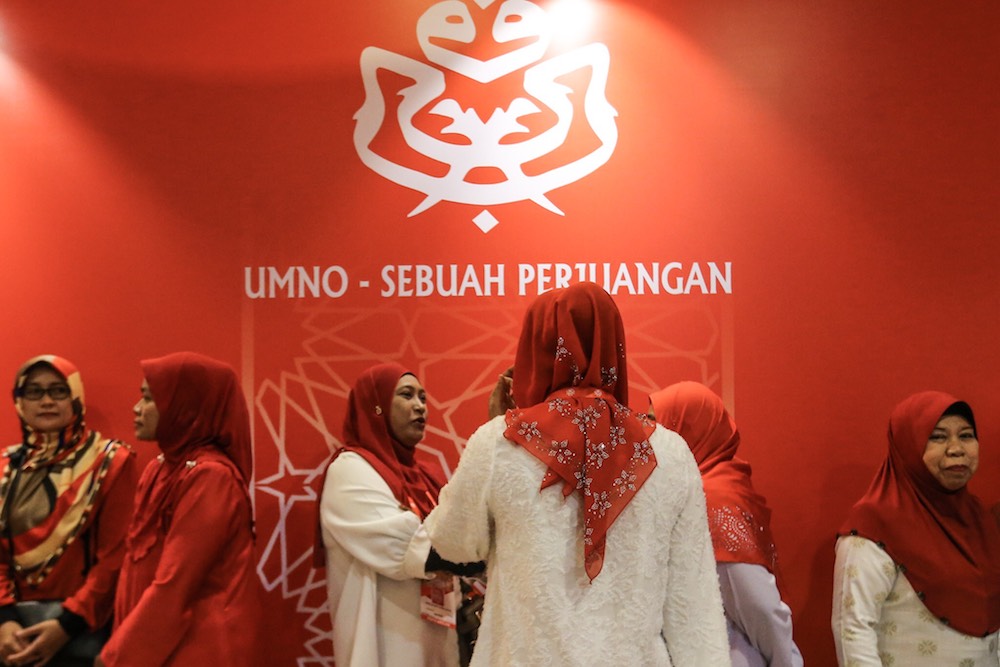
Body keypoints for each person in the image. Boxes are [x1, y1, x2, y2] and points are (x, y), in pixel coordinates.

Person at [425, 282, 730, 666]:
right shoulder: (670, 453)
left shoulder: (498, 445)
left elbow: (452, 543)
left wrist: (499, 425)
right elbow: (695, 606)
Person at [97, 352, 259, 666]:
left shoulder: (211, 477)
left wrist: (117, 656)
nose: (136, 408)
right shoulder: (160, 469)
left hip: (199, 649)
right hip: (158, 645)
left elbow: (177, 582)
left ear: (186, 405)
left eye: (148, 398)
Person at [317, 363, 472, 667]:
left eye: (423, 398)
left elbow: (458, 532)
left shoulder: (427, 476)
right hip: (387, 641)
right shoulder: (351, 469)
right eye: (406, 395)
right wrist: (478, 554)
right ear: (375, 407)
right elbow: (407, 548)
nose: (420, 406)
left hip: (438, 640)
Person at [832, 390, 1000, 666]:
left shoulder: (981, 520)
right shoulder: (873, 526)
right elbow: (853, 630)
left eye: (967, 435)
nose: (957, 448)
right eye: (938, 437)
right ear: (908, 446)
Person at [649, 381, 802, 667]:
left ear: (685, 429)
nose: (647, 436)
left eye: (656, 423)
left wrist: (785, 661)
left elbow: (754, 600)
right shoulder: (697, 488)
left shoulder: (713, 497)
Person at [0, 355, 137, 667]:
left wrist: (67, 625)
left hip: (82, 630)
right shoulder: (4, 468)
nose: (46, 401)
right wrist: (4, 622)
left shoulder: (110, 462)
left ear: (76, 396)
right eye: (33, 392)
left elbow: (116, 557)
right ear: (19, 400)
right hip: (10, 636)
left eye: (58, 391)